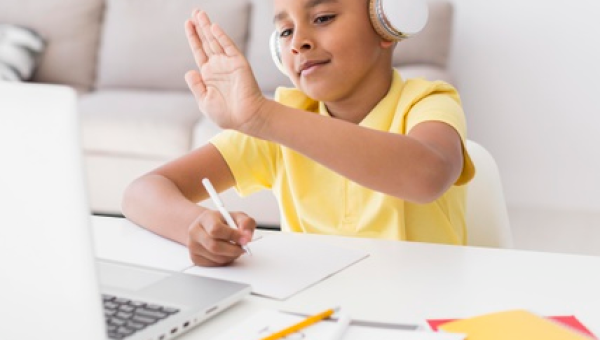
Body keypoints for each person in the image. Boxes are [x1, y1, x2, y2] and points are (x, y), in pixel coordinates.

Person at [121, 0, 475, 267]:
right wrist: (194, 226)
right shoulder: (281, 122)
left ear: (386, 22)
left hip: (424, 310)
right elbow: (140, 192)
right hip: (318, 312)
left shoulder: (427, 101)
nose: (298, 42)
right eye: (286, 31)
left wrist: (263, 117)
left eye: (322, 18)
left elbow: (427, 176)